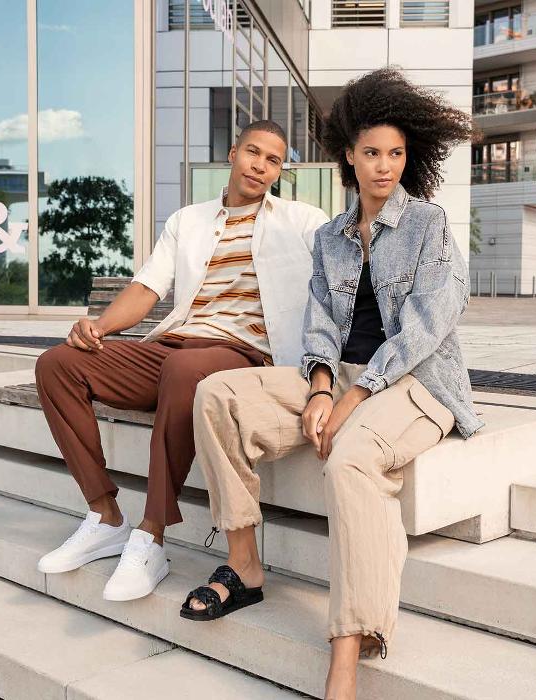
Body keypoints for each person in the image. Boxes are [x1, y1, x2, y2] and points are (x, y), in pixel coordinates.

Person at [183, 69, 482, 699]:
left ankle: (347, 650)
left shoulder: (429, 225)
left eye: (396, 153)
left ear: (410, 157)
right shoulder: (330, 237)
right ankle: (244, 564)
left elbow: (429, 325)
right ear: (348, 155)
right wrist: (321, 385)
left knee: (349, 461)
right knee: (216, 395)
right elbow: (320, 320)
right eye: (372, 153)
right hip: (341, 379)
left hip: (417, 386)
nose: (384, 167)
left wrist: (355, 395)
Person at [33, 120, 329, 602]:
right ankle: (105, 515)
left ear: (280, 171)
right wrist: (100, 328)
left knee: (187, 370)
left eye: (273, 160)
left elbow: (343, 274)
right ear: (233, 153)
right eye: (253, 152)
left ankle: (151, 535)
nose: (260, 165)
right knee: (58, 364)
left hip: (242, 357)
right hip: (173, 347)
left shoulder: (302, 221)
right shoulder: (187, 221)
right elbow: (148, 287)